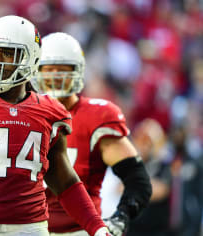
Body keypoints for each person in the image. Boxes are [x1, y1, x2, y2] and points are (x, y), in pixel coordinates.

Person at [0, 15, 111, 236]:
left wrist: (97, 226)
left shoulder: (49, 111)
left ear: (31, 58)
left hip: (31, 229)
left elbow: (64, 181)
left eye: (7, 53)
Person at [34, 32, 152, 236]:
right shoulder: (22, 114)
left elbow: (137, 180)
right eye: (48, 69)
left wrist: (121, 216)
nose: (55, 76)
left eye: (62, 70)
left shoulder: (97, 117)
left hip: (80, 230)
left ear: (78, 72)